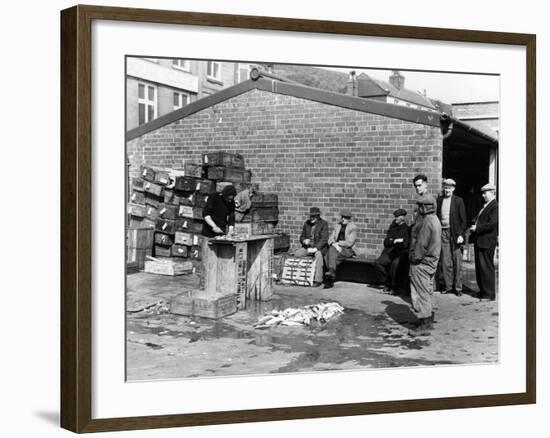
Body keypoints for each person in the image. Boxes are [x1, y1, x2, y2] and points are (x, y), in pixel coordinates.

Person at [408, 194, 441, 336]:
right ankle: (429, 319)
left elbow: (421, 245)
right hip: (432, 261)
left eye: (420, 206)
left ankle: (424, 324)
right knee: (428, 291)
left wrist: (414, 259)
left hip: (422, 263)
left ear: (425, 207)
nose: (418, 208)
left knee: (422, 293)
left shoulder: (427, 221)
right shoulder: (435, 220)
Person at [436, 178, 467, 296]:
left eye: (449, 187)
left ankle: (458, 288)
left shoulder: (458, 201)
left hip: (455, 233)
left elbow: (463, 220)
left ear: (453, 189)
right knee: (446, 261)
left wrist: (460, 234)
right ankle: (448, 287)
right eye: (445, 187)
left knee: (457, 262)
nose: (447, 189)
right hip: (443, 233)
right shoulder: (439, 200)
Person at [469, 183, 498, 301]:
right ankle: (483, 291)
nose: (483, 195)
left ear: (492, 193)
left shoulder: (495, 206)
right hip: (480, 240)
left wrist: (477, 228)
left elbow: (492, 224)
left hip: (487, 241)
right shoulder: (486, 206)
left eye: (485, 193)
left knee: (486, 267)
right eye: (483, 193)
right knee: (480, 267)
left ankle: (489, 294)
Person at [374, 208, 410, 294]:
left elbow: (405, 244)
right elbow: (386, 242)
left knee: (395, 265)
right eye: (395, 217)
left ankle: (394, 287)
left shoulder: (406, 229)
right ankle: (387, 282)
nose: (396, 219)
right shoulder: (392, 228)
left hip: (400, 254)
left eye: (397, 217)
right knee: (378, 263)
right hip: (390, 252)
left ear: (403, 218)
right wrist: (395, 241)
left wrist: (393, 241)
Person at [294, 207, 329, 287]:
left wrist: (315, 248)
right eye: (311, 216)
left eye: (314, 216)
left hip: (319, 248)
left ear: (318, 216)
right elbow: (302, 236)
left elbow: (324, 239)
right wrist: (304, 241)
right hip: (308, 247)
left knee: (319, 256)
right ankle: (301, 276)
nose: (311, 218)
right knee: (297, 254)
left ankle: (318, 279)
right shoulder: (306, 223)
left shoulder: (324, 224)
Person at [323, 210, 358, 289]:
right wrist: (334, 244)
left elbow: (350, 242)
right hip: (335, 248)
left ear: (349, 219)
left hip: (347, 249)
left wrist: (338, 244)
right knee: (332, 251)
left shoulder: (353, 227)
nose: (343, 219)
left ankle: (330, 278)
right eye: (343, 217)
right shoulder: (337, 226)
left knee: (328, 255)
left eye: (346, 218)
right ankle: (331, 274)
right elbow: (330, 238)